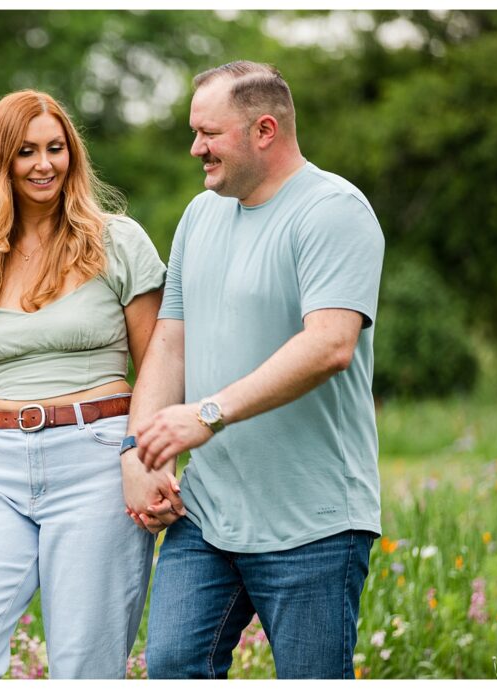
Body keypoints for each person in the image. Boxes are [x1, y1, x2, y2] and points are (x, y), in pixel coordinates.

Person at [0, 89, 179, 679]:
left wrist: (147, 459)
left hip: (97, 458)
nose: (44, 164)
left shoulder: (116, 241)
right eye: (26, 151)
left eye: (56, 148)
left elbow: (161, 364)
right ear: (0, 162)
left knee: (85, 667)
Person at [121, 61, 385, 679]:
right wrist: (138, 454)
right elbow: (170, 344)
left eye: (209, 133)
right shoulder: (200, 215)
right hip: (207, 514)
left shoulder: (333, 211)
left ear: (264, 130)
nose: (195, 148)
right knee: (174, 667)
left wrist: (207, 414)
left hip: (313, 523)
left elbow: (329, 345)